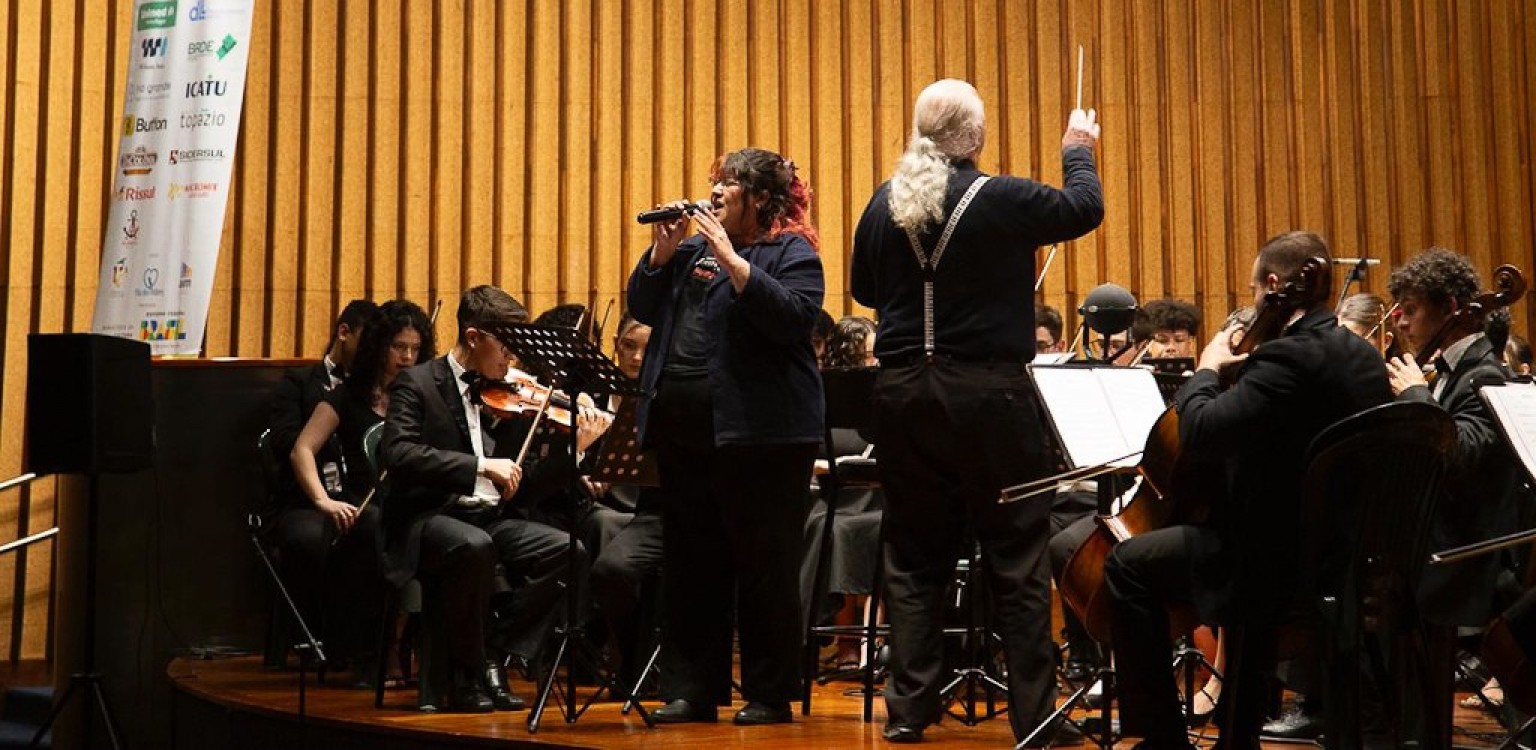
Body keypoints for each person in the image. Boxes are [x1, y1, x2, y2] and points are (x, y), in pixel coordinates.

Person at [851, 78, 1103, 745]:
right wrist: (1078, 148)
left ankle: (908, 713)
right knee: (1016, 556)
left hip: (904, 396)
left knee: (914, 558)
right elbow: (1083, 207)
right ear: (976, 137)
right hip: (989, 397)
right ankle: (1035, 718)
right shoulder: (1003, 197)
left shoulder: (883, 201)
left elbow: (863, 289)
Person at [1103, 231, 1392, 749]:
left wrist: (1206, 369)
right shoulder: (1361, 356)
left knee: (1127, 566)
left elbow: (1201, 430)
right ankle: (1238, 735)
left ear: (1274, 284)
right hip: (1344, 554)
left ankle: (1164, 740)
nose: (1256, 299)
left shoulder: (1287, 358)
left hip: (1275, 564)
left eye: (1256, 288)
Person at [627, 147, 826, 726]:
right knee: (692, 561)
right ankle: (693, 689)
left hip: (765, 435)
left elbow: (793, 319)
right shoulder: (690, 251)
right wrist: (661, 254)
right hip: (686, 429)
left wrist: (733, 261)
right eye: (715, 182)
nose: (714, 192)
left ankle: (769, 694)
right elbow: (643, 307)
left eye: (729, 184)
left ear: (759, 199)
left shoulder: (792, 251)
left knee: (765, 564)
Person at [379, 285, 576, 713]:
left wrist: (575, 450)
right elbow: (398, 452)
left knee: (567, 549)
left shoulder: (505, 394)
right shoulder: (417, 383)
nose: (513, 358)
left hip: (488, 517)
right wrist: (480, 467)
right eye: (506, 345)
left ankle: (494, 652)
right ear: (473, 337)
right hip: (429, 517)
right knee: (474, 546)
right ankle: (468, 676)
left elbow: (528, 483)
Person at [1385, 249, 1522, 737]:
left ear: (1449, 308)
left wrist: (1415, 397)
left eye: (1410, 308)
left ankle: (1407, 730)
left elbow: (1460, 454)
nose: (1400, 321)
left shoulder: (1484, 374)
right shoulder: (1450, 371)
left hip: (1465, 556)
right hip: (1441, 544)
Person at [285, 299, 434, 680]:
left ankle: (417, 646)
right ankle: (378, 648)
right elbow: (303, 449)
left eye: (415, 349)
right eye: (398, 347)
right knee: (376, 526)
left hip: (410, 505)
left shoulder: (423, 397)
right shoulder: (348, 395)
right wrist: (323, 500)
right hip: (360, 509)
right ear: (379, 346)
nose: (408, 358)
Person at [262, 299, 377, 667]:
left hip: (355, 496)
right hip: (302, 500)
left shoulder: (372, 392)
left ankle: (358, 642)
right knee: (311, 538)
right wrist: (329, 430)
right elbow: (285, 441)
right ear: (344, 333)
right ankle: (309, 635)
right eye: (367, 341)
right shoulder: (298, 383)